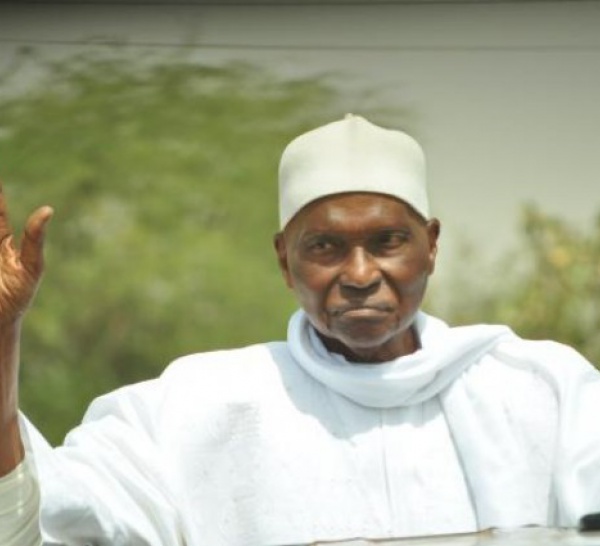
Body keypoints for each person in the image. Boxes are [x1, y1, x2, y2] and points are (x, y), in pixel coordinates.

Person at [0, 114, 599, 546]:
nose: (360, 275)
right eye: (325, 247)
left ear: (432, 245)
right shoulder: (194, 407)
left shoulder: (545, 391)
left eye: (387, 241)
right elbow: (36, 519)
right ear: (285, 260)